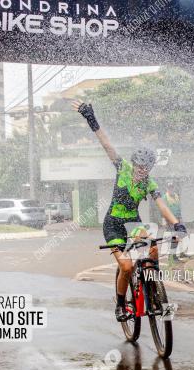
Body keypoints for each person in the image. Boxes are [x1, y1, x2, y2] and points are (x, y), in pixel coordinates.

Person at [73, 100, 186, 322]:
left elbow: (161, 205)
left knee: (153, 250)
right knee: (126, 265)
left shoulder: (150, 183)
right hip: (114, 223)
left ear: (150, 168)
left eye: (145, 168)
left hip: (133, 222)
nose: (141, 171)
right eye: (139, 166)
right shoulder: (122, 167)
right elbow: (107, 145)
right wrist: (91, 120)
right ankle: (120, 304)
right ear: (133, 163)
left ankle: (154, 289)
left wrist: (176, 224)